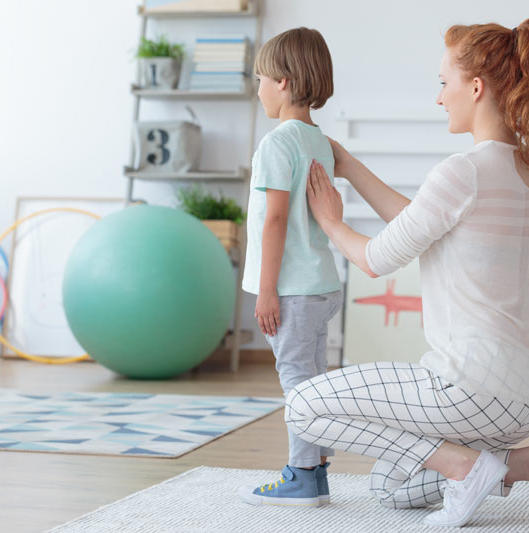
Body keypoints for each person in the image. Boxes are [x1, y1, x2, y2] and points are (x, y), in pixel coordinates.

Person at [286, 17, 529, 527]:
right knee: (390, 486)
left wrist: (332, 223)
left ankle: (466, 468)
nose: (440, 98)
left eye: (444, 83)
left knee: (302, 405)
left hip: (472, 386)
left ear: (476, 86)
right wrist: (350, 166)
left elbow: (377, 258)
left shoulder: (462, 172)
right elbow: (424, 223)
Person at [238, 27, 343, 507]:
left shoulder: (277, 143)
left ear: (282, 81)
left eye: (259, 78)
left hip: (293, 289)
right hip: (322, 284)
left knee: (298, 383)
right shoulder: (319, 141)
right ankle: (317, 469)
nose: (256, 87)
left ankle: (301, 475)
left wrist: (266, 291)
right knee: (315, 380)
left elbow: (276, 218)